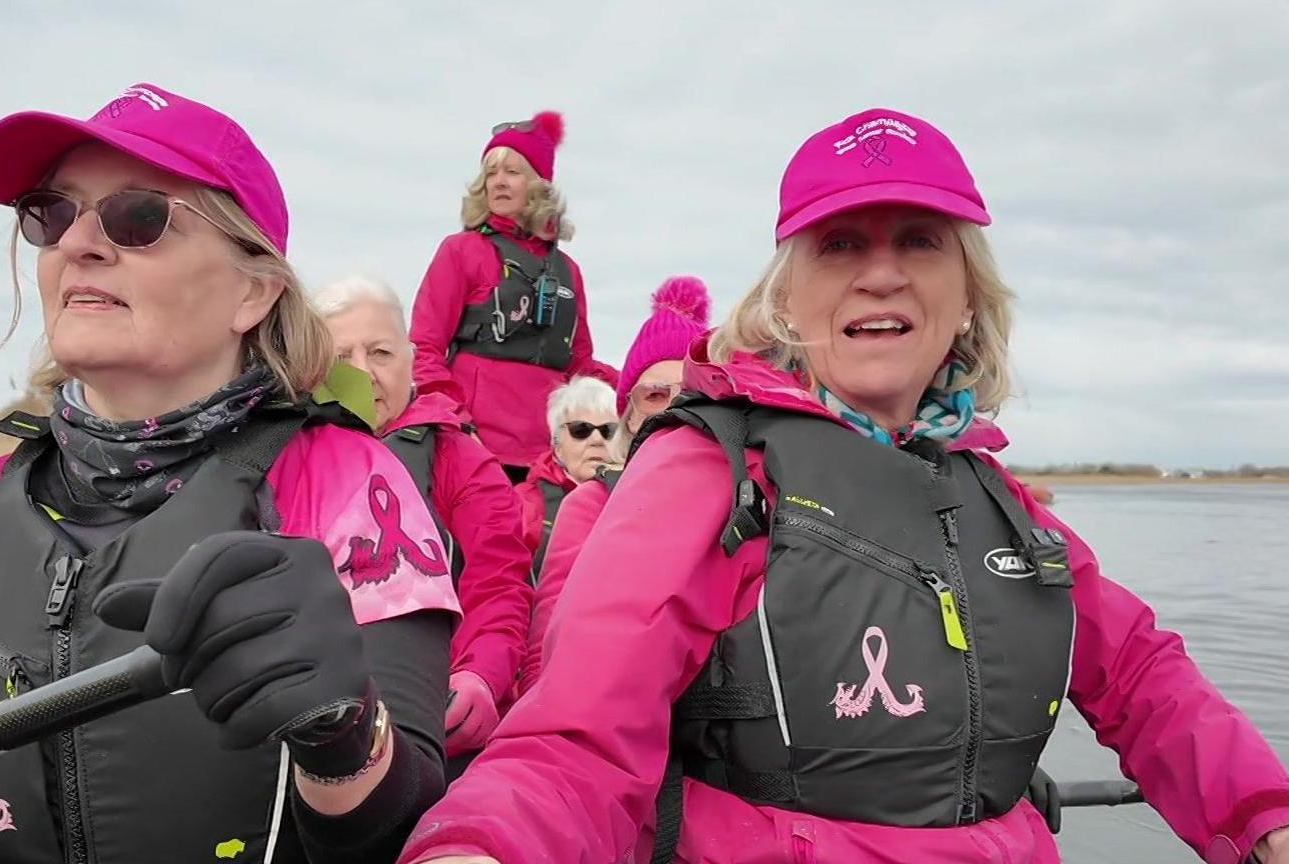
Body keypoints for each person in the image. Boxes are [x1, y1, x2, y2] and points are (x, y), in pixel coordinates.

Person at [399, 108, 1289, 864]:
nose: (881, 271)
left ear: (967, 294)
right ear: (788, 295)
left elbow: (1142, 679)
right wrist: (479, 842)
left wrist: (1264, 815)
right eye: (840, 244)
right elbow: (575, 741)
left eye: (920, 241)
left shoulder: (995, 494)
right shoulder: (711, 470)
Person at [0, 82, 462, 864]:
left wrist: (343, 732)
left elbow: (404, 823)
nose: (77, 244)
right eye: (51, 213)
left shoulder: (347, 486)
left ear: (252, 292)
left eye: (138, 216)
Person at [313, 275, 533, 778]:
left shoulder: (461, 460)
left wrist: (482, 674)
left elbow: (499, 583)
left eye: (381, 353)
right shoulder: (283, 455)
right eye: (341, 356)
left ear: (412, 360)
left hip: (429, 715)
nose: (363, 372)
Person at [516, 275, 711, 697]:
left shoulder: (749, 504)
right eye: (656, 395)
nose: (676, 409)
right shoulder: (589, 507)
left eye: (692, 393)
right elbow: (548, 642)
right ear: (631, 417)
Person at [408, 110, 618, 482]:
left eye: (512, 172)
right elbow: (424, 349)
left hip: (548, 459)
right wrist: (456, 423)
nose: (498, 182)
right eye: (491, 173)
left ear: (539, 184)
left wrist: (642, 378)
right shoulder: (461, 251)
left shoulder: (568, 270)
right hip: (475, 449)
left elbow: (579, 365)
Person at [514, 376, 618, 576]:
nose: (596, 440)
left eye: (609, 431)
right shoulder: (522, 504)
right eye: (581, 430)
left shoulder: (640, 496)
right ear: (557, 445)